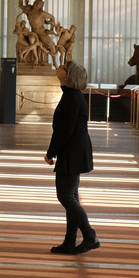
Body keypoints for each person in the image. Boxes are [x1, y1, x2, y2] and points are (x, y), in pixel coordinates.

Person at [46, 61, 99, 255]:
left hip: (73, 151)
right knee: (71, 196)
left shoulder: (72, 98)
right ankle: (69, 241)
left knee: (66, 195)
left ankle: (90, 236)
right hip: (74, 150)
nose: (59, 67)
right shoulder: (70, 95)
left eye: (63, 67)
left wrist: (50, 152)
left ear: (68, 76)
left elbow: (64, 131)